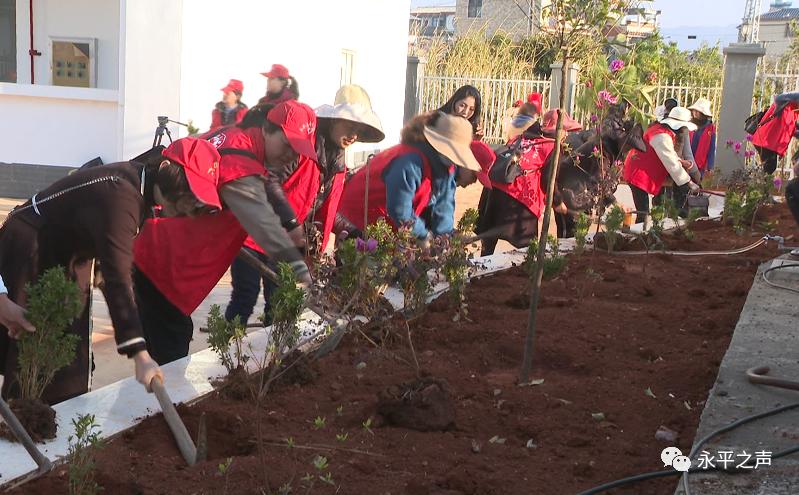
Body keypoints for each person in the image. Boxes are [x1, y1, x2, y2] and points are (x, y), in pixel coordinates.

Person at [0, 137, 222, 403]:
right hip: (34, 248)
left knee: (67, 355)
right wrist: (140, 353)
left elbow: (110, 270)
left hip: (68, 255)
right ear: (166, 169)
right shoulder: (122, 196)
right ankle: (24, 423)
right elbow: (118, 276)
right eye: (187, 192)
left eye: (196, 201)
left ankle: (45, 419)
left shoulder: (137, 189)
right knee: (35, 347)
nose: (189, 206)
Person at [132, 101, 317, 366]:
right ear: (267, 129)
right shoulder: (242, 163)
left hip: (155, 256)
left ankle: (150, 403)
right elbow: (264, 226)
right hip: (164, 268)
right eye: (288, 144)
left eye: (298, 150)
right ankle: (159, 406)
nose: (292, 155)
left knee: (160, 351)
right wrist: (304, 274)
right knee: (170, 358)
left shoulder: (235, 139)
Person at [224, 85, 385, 326]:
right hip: (255, 234)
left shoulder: (337, 165)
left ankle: (275, 355)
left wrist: (352, 232)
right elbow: (270, 181)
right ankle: (228, 344)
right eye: (350, 126)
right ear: (333, 121)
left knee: (280, 302)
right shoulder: (298, 145)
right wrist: (291, 222)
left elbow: (325, 210)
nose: (354, 135)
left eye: (359, 130)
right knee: (245, 297)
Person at [337, 112, 480, 240]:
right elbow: (400, 210)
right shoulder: (410, 162)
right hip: (359, 214)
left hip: (388, 220)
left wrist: (446, 237)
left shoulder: (447, 168)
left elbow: (444, 208)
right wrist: (423, 237)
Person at [476, 108, 576, 256]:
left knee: (489, 239)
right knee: (529, 246)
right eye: (565, 130)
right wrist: (558, 202)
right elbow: (548, 180)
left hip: (494, 190)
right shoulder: (553, 147)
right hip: (519, 197)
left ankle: (483, 262)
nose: (566, 134)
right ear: (556, 130)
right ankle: (528, 271)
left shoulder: (521, 137)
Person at [624, 107, 701, 224]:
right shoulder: (661, 136)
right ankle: (638, 236)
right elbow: (671, 163)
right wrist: (688, 182)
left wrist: (681, 161)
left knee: (645, 210)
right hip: (638, 173)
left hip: (643, 170)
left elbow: (669, 154)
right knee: (643, 211)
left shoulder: (663, 132)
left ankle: (646, 231)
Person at [752, 92, 799, 174]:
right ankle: (757, 183)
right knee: (769, 167)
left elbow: (792, 129)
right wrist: (778, 111)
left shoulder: (792, 110)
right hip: (766, 139)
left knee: (768, 168)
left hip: (768, 141)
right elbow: (779, 98)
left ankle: (757, 182)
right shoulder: (794, 98)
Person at [688, 98, 716, 177]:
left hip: (700, 164)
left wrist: (710, 166)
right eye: (694, 110)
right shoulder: (688, 124)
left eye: (698, 111)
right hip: (686, 161)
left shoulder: (710, 127)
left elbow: (712, 147)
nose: (695, 113)